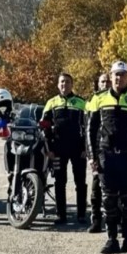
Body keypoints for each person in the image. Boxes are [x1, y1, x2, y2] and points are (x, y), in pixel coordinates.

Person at [88, 62, 127, 254]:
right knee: (109, 201)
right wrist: (92, 156)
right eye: (116, 75)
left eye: (123, 75)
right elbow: (90, 130)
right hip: (106, 156)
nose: (119, 78)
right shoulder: (98, 98)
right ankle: (111, 239)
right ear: (111, 76)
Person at [41, 73, 88, 225]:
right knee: (60, 182)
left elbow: (88, 128)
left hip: (78, 149)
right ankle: (61, 215)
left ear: (72, 84)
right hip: (58, 149)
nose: (64, 85)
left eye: (67, 82)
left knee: (80, 182)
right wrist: (49, 148)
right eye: (62, 82)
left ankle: (81, 214)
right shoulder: (51, 103)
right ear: (57, 84)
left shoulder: (81, 103)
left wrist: (86, 148)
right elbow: (44, 127)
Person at [86, 73, 110, 233]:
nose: (106, 84)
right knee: (96, 190)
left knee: (115, 190)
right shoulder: (92, 102)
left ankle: (115, 220)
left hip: (112, 151)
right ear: (98, 84)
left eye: (108, 81)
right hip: (96, 151)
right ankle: (96, 221)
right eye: (103, 81)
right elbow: (87, 129)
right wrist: (89, 154)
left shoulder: (118, 99)